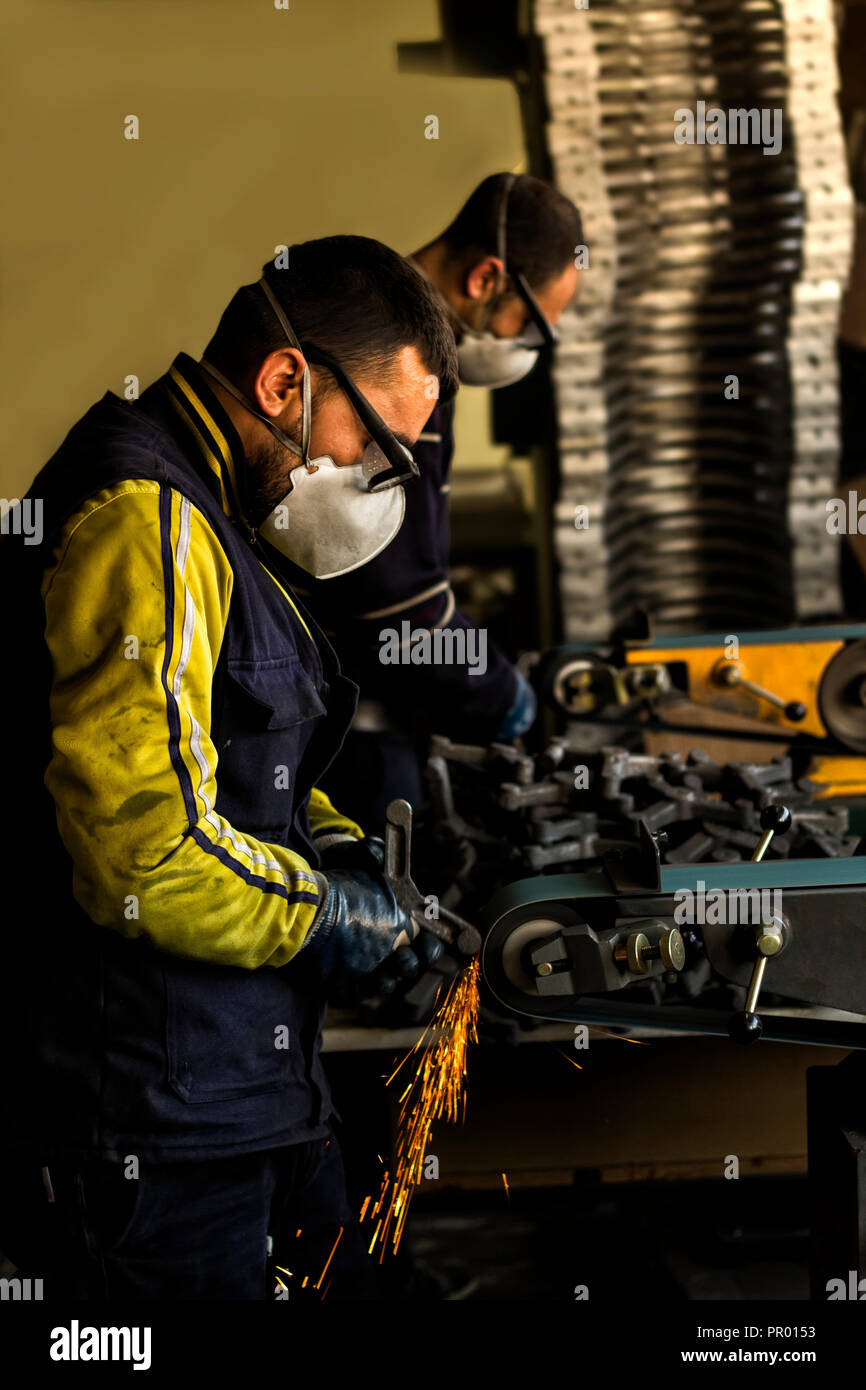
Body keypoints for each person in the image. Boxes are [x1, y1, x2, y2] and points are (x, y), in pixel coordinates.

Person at [0, 236, 458, 1300]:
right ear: (286, 380)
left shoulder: (215, 507)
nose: (384, 486)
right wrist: (326, 915)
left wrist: (338, 840)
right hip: (152, 1117)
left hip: (237, 1086)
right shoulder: (144, 519)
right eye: (380, 449)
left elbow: (241, 753)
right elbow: (145, 856)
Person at [287, 174, 582, 832]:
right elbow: (396, 599)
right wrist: (506, 698)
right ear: (486, 279)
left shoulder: (394, 337)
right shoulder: (406, 365)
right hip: (345, 727)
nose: (524, 350)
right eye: (529, 329)